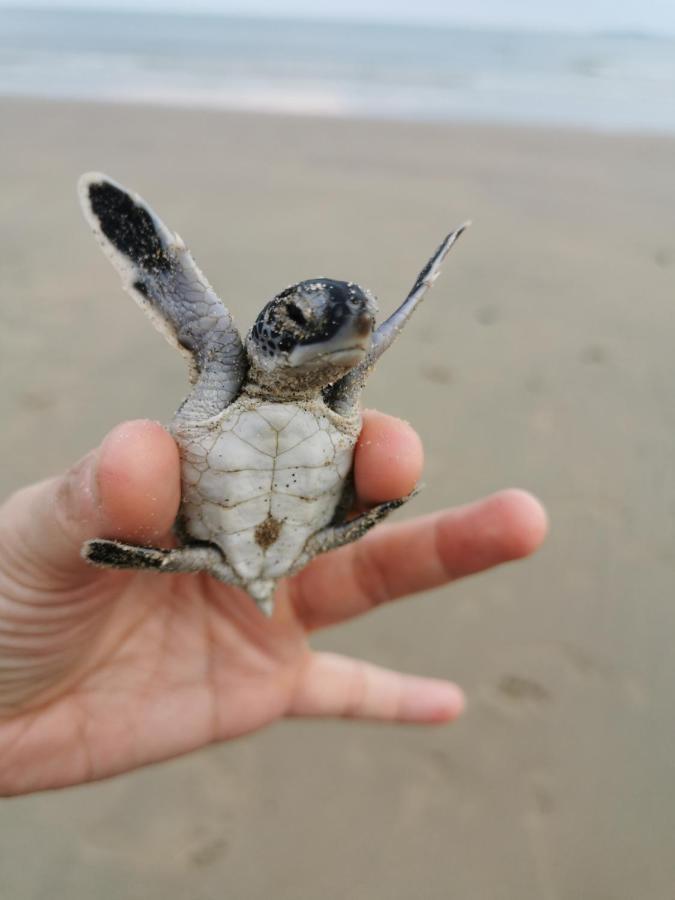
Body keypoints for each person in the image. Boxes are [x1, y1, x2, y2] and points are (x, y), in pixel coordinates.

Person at [0, 412, 546, 796]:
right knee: (371, 482)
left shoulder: (333, 393)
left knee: (370, 482)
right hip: (247, 551)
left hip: (256, 550)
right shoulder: (233, 372)